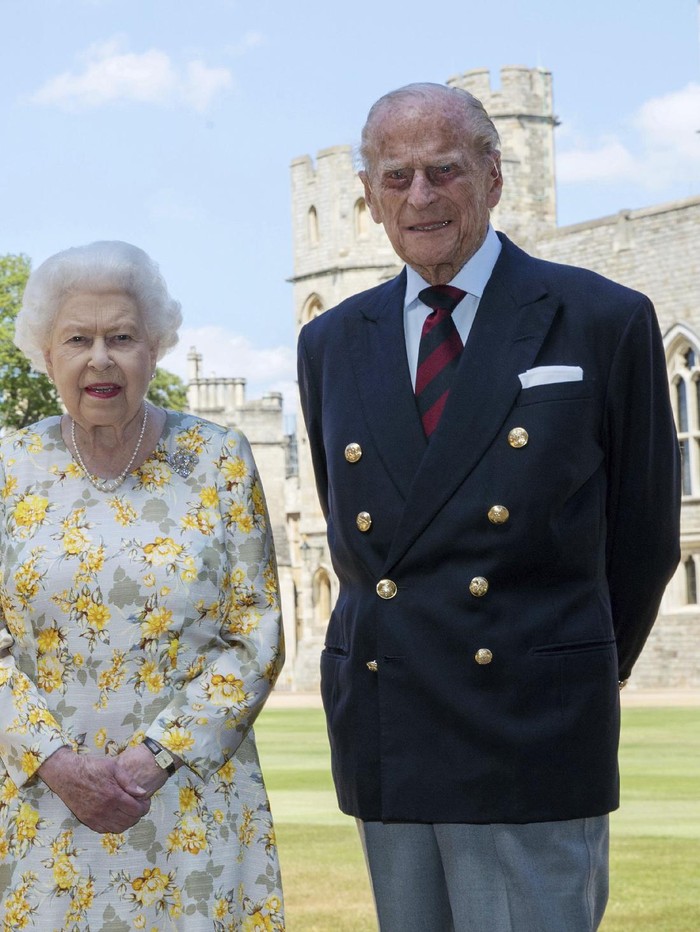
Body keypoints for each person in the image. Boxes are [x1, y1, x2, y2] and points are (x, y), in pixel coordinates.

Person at [297, 83, 681, 931]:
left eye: (444, 170)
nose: (421, 197)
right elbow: (354, 529)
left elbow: (647, 536)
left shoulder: (600, 319)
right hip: (391, 726)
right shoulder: (330, 341)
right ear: (368, 196)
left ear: (495, 177)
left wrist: (559, 664)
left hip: (531, 727)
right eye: (395, 177)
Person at [0, 241, 285, 930]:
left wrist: (154, 758)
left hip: (192, 806)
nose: (100, 358)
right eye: (78, 338)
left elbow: (257, 636)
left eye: (121, 337)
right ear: (46, 353)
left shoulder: (219, 460)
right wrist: (58, 764)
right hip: (42, 809)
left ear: (154, 348)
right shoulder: (8, 468)